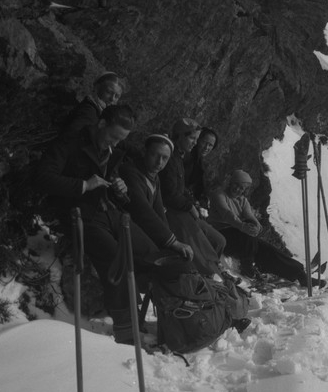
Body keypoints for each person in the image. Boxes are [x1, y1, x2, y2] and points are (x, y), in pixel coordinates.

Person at [37, 104, 185, 345]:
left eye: (121, 140)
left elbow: (112, 177)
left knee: (152, 253)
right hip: (80, 215)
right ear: (101, 124)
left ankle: (157, 315)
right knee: (117, 260)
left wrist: (120, 190)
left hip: (111, 212)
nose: (115, 144)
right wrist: (83, 185)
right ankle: (126, 330)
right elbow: (43, 176)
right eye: (114, 137)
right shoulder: (71, 142)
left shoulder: (110, 149)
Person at [208, 169, 322, 287]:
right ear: (231, 183)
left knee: (269, 250)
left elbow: (250, 216)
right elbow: (227, 214)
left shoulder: (242, 201)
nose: (237, 189)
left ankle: (300, 275)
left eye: (241, 188)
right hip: (222, 234)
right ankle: (247, 265)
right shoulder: (219, 194)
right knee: (249, 233)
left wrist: (256, 226)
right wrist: (243, 226)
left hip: (241, 237)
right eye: (236, 185)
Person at [159, 118, 227, 277]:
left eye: (197, 140)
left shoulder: (186, 158)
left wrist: (196, 204)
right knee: (203, 239)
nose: (196, 144)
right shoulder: (175, 158)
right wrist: (190, 206)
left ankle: (212, 271)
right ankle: (208, 272)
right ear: (179, 136)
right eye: (194, 139)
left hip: (183, 207)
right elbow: (170, 194)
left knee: (216, 240)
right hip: (173, 211)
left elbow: (183, 190)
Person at [119, 133, 195, 264]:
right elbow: (143, 211)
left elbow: (159, 210)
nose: (159, 162)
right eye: (155, 155)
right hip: (125, 223)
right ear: (145, 152)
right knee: (154, 254)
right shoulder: (131, 172)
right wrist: (172, 242)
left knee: (171, 252)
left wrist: (171, 241)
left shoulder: (154, 177)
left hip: (140, 225)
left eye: (165, 158)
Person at [58, 72, 123, 140]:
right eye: (109, 92)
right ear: (97, 88)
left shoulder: (99, 111)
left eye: (117, 96)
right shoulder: (89, 111)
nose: (112, 99)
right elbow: (69, 138)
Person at [185, 126, 218, 212]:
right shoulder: (187, 158)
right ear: (197, 140)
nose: (206, 148)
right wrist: (195, 203)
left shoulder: (200, 162)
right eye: (204, 142)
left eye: (210, 145)